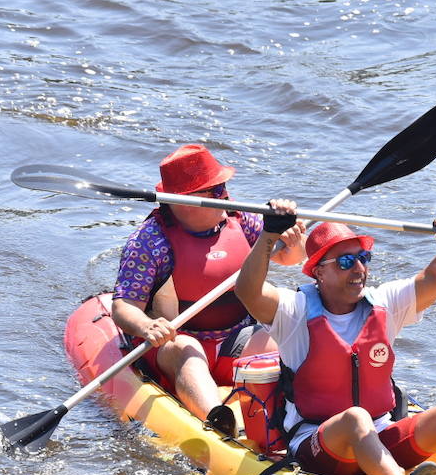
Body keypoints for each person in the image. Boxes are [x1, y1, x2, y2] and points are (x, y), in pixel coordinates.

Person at [234, 200, 436, 475]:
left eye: (364, 257)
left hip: (380, 434)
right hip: (318, 445)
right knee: (355, 418)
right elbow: (248, 291)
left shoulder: (384, 303)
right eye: (346, 262)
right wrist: (269, 236)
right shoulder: (293, 312)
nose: (359, 268)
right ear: (319, 272)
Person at [111, 145, 306, 418]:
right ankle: (215, 421)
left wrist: (291, 238)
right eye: (215, 191)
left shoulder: (242, 222)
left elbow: (291, 258)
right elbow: (123, 306)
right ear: (184, 201)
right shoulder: (150, 240)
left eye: (224, 187)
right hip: (175, 343)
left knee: (285, 339)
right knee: (188, 350)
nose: (226, 197)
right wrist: (147, 325)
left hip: (234, 338)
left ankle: (301, 414)